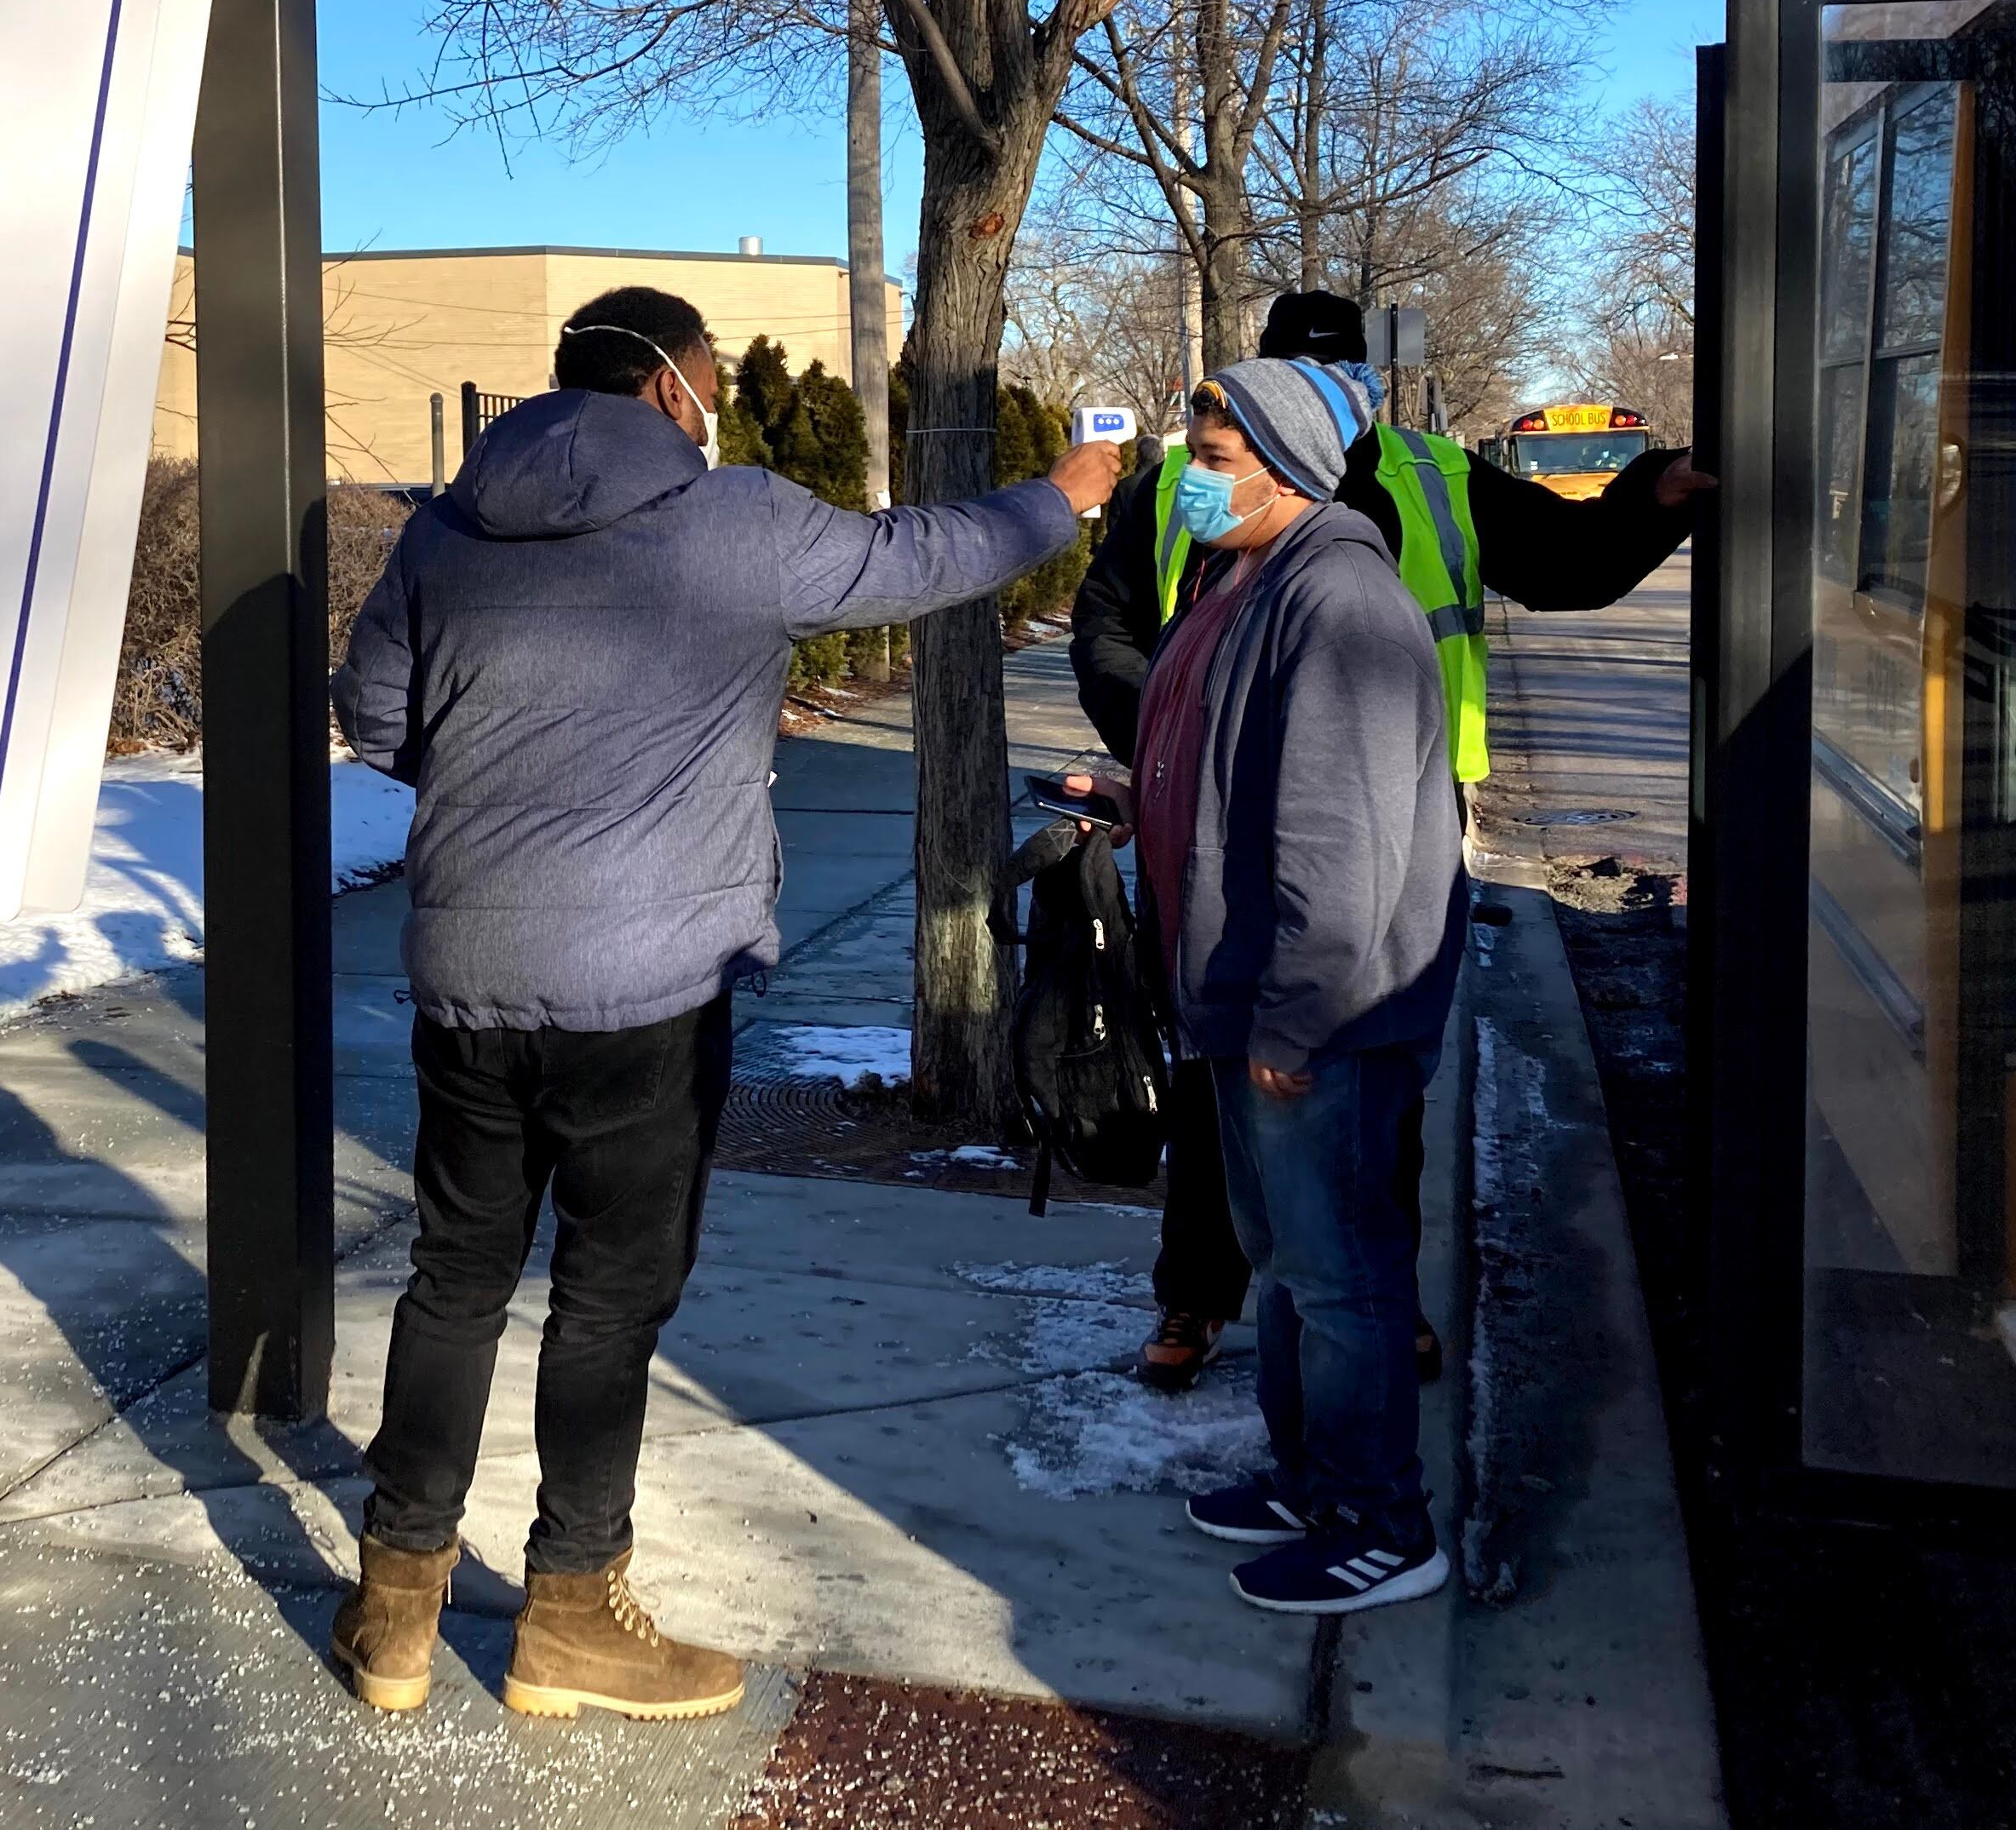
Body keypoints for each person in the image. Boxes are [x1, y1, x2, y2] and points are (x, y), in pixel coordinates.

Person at [327, 285, 1123, 1720]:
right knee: (608, 1299)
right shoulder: (735, 522)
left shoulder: (448, 530)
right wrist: (1058, 501)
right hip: (646, 989)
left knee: (453, 1281)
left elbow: (377, 713)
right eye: (709, 381)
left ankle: (395, 1610)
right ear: (665, 387)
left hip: (464, 974)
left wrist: (500, 792)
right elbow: (918, 557)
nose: (720, 405)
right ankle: (572, 1612)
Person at [1071, 290, 1709, 1391]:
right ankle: (1200, 1288)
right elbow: (1110, 627)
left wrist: (1649, 499)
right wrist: (1170, 754)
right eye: (1302, 372)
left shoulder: (1436, 477)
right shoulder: (1183, 485)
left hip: (1393, 828)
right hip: (1206, 826)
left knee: (1365, 1077)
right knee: (1218, 1069)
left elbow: (1568, 563)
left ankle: (1372, 1300)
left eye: (1346, 373)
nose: (1335, 393)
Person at [1070, 357, 1463, 1614]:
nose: (1192, 472)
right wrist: (1141, 798)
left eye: (1217, 454)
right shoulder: (1249, 581)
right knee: (1288, 1261)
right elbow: (1229, 764)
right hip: (1248, 1005)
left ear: (1290, 468)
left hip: (1320, 1015)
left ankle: (1384, 1525)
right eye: (1193, 445)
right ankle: (1313, 1480)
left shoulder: (1338, 598)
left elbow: (1339, 843)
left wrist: (1298, 1018)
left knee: (1341, 1278)